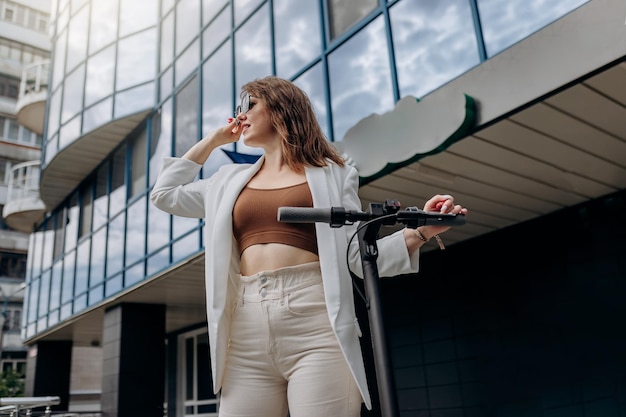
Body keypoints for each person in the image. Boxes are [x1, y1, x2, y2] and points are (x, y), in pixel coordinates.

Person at [150, 76, 468, 417]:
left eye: (249, 105)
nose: (240, 115)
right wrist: (212, 140)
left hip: (316, 321)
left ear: (280, 108)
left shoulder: (335, 173)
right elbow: (164, 194)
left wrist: (422, 231)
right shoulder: (226, 182)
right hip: (244, 327)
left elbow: (357, 256)